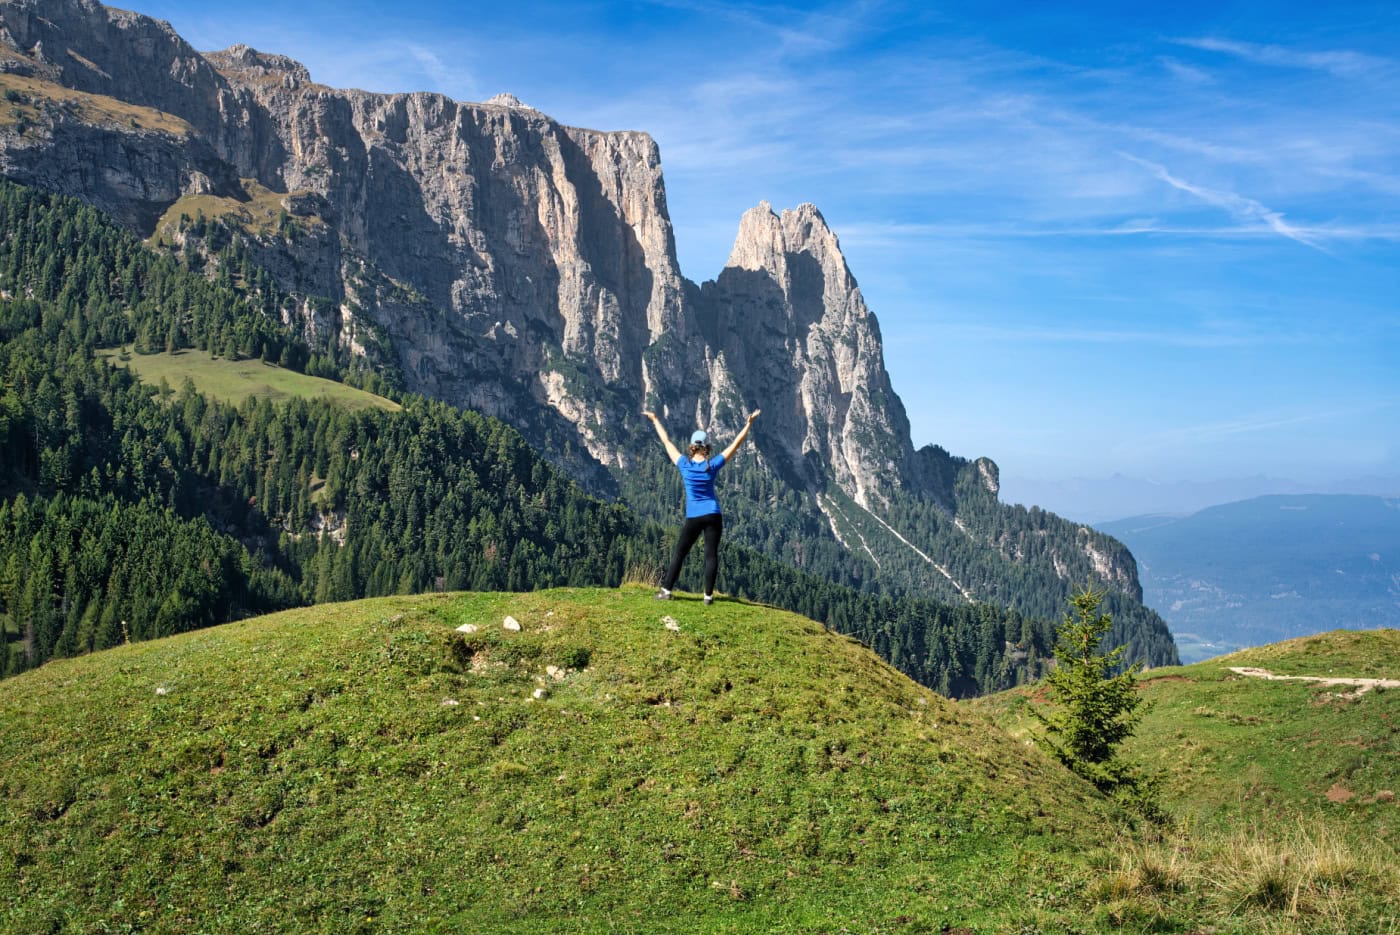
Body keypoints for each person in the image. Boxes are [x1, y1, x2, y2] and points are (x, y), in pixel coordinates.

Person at [641, 408, 761, 604]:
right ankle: (708, 596)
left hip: (694, 515)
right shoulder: (711, 465)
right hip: (713, 514)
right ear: (706, 447)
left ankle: (666, 591)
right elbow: (735, 445)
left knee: (680, 552)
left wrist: (655, 420)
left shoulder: (684, 464)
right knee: (710, 555)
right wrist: (748, 424)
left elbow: (667, 442)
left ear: (691, 447)